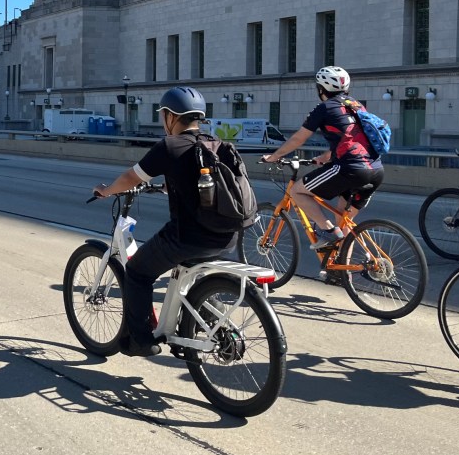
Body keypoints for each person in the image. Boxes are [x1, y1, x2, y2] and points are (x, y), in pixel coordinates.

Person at [91, 86, 236, 357]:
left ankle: (141, 341)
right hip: (228, 236)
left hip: (188, 237)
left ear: (170, 116)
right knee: (187, 273)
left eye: (163, 116)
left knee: (137, 272)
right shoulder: (214, 143)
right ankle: (205, 322)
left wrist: (107, 190)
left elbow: (131, 178)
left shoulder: (170, 146)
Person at [262, 66, 384, 249]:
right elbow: (353, 139)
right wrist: (326, 156)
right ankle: (342, 273)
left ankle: (328, 230)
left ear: (321, 89)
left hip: (350, 169)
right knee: (344, 225)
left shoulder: (324, 108)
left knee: (297, 191)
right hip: (375, 170)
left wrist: (274, 156)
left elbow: (298, 138)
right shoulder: (356, 106)